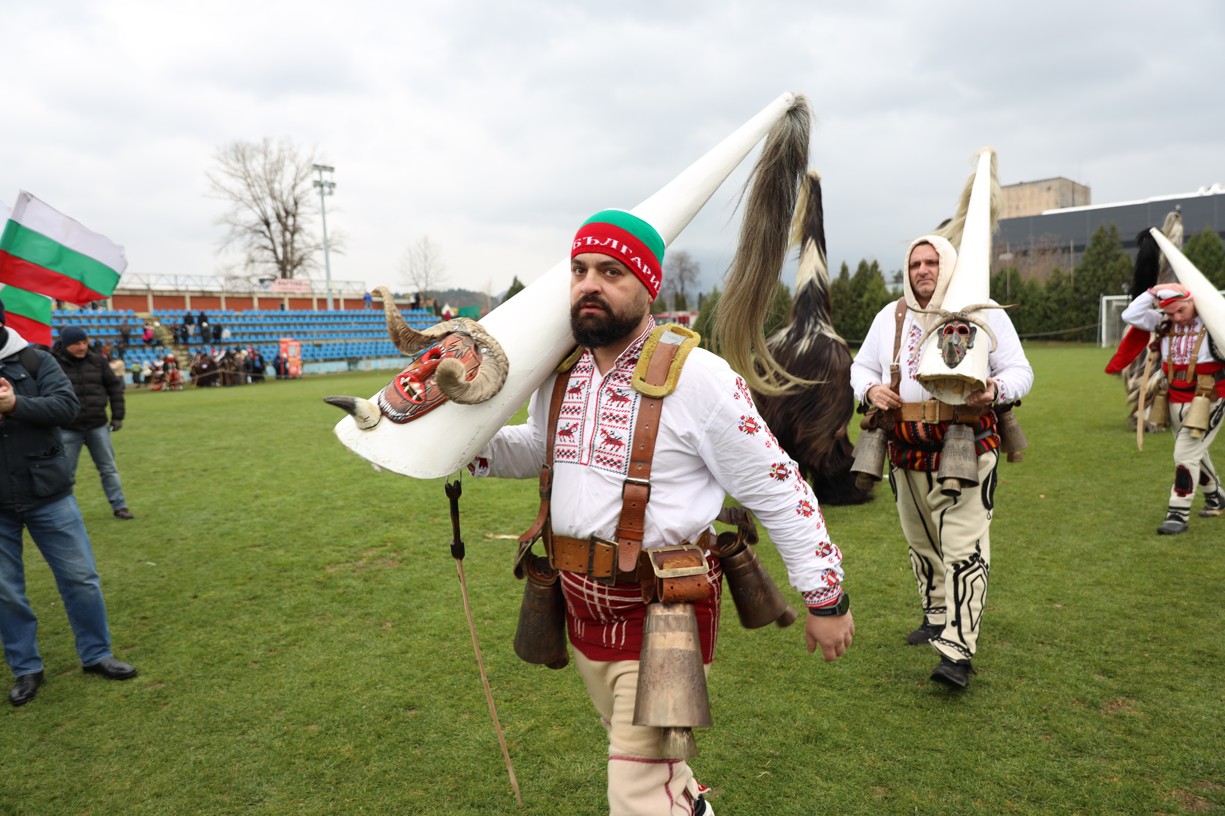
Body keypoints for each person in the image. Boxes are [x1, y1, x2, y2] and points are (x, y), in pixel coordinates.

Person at [469, 210, 853, 815]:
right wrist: (463, 447)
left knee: (637, 792)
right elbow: (542, 448)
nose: (589, 284)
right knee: (661, 776)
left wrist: (825, 596)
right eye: (580, 270)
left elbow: (778, 487)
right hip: (580, 606)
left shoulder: (700, 378)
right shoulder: (560, 372)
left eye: (611, 272)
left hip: (664, 612)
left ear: (648, 286)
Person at [850, 235, 1033, 689]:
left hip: (965, 444)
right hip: (903, 448)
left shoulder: (983, 312)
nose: (923, 270)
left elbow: (1021, 372)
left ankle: (957, 649)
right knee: (922, 541)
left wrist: (996, 389)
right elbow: (861, 368)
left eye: (932, 262)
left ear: (947, 266)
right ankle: (935, 615)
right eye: (915, 263)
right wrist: (870, 389)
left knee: (963, 546)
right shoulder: (891, 316)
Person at [0, 300, 138, 706]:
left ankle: (96, 654)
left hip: (48, 492)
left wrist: (15, 405)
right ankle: (26, 668)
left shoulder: (37, 360)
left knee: (80, 577)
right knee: (5, 591)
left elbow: (66, 407)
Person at [1121, 283, 1224, 533]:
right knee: (1194, 452)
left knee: (1184, 455)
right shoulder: (1163, 322)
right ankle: (1216, 497)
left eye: (1181, 310)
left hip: (1209, 396)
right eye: (1170, 312)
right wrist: (1152, 292)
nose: (1176, 317)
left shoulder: (1213, 320)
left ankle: (1177, 513)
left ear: (1192, 301)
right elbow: (1130, 315)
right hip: (1173, 396)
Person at [53, 326, 134, 520]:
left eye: (84, 342)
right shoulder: (53, 364)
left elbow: (114, 389)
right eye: (76, 344)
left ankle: (119, 506)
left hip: (97, 424)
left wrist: (117, 417)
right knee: (65, 473)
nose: (82, 347)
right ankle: (63, 512)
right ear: (65, 345)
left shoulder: (98, 361)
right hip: (67, 427)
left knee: (108, 468)